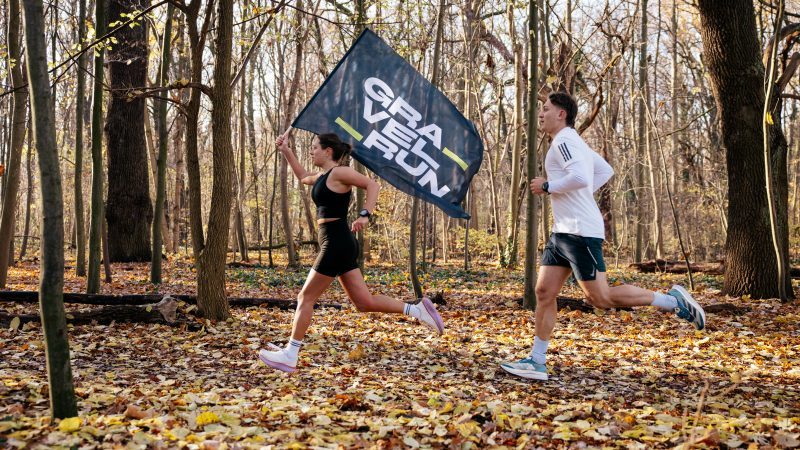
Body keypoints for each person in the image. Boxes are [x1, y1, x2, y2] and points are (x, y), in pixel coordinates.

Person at [499, 92, 706, 381]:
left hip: (580, 232)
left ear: (561, 114)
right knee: (544, 292)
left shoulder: (565, 141)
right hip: (563, 231)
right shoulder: (574, 142)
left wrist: (548, 186)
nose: (541, 114)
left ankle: (672, 301)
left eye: (546, 109)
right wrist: (577, 195)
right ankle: (536, 360)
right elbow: (604, 171)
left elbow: (581, 178)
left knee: (601, 298)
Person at [258, 131, 444, 373]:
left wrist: (365, 214)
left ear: (328, 151)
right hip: (339, 242)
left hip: (336, 242)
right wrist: (286, 151)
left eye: (315, 147)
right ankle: (417, 309)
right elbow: (303, 176)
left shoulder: (340, 172)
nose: (311, 151)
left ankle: (290, 354)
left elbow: (372, 184)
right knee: (364, 303)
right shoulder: (323, 176)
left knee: (305, 297)